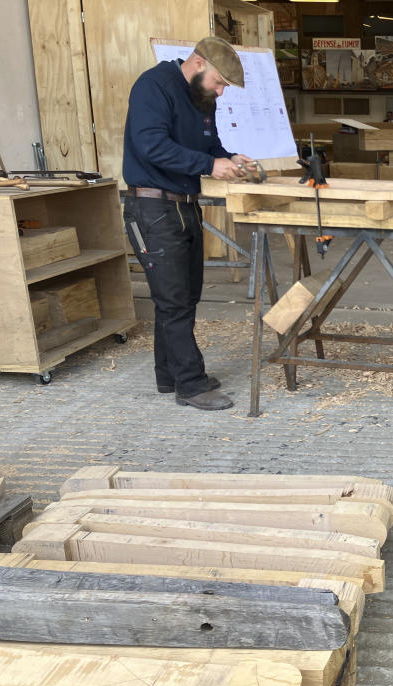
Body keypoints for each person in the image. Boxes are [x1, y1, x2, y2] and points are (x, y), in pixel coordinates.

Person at [122, 37, 253, 411]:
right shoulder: (154, 86)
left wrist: (228, 158)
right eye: (220, 82)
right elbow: (151, 146)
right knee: (174, 301)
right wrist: (211, 167)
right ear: (198, 63)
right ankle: (191, 385)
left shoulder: (201, 98)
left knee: (185, 296)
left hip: (184, 206)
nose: (221, 91)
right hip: (152, 208)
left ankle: (170, 374)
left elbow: (208, 146)